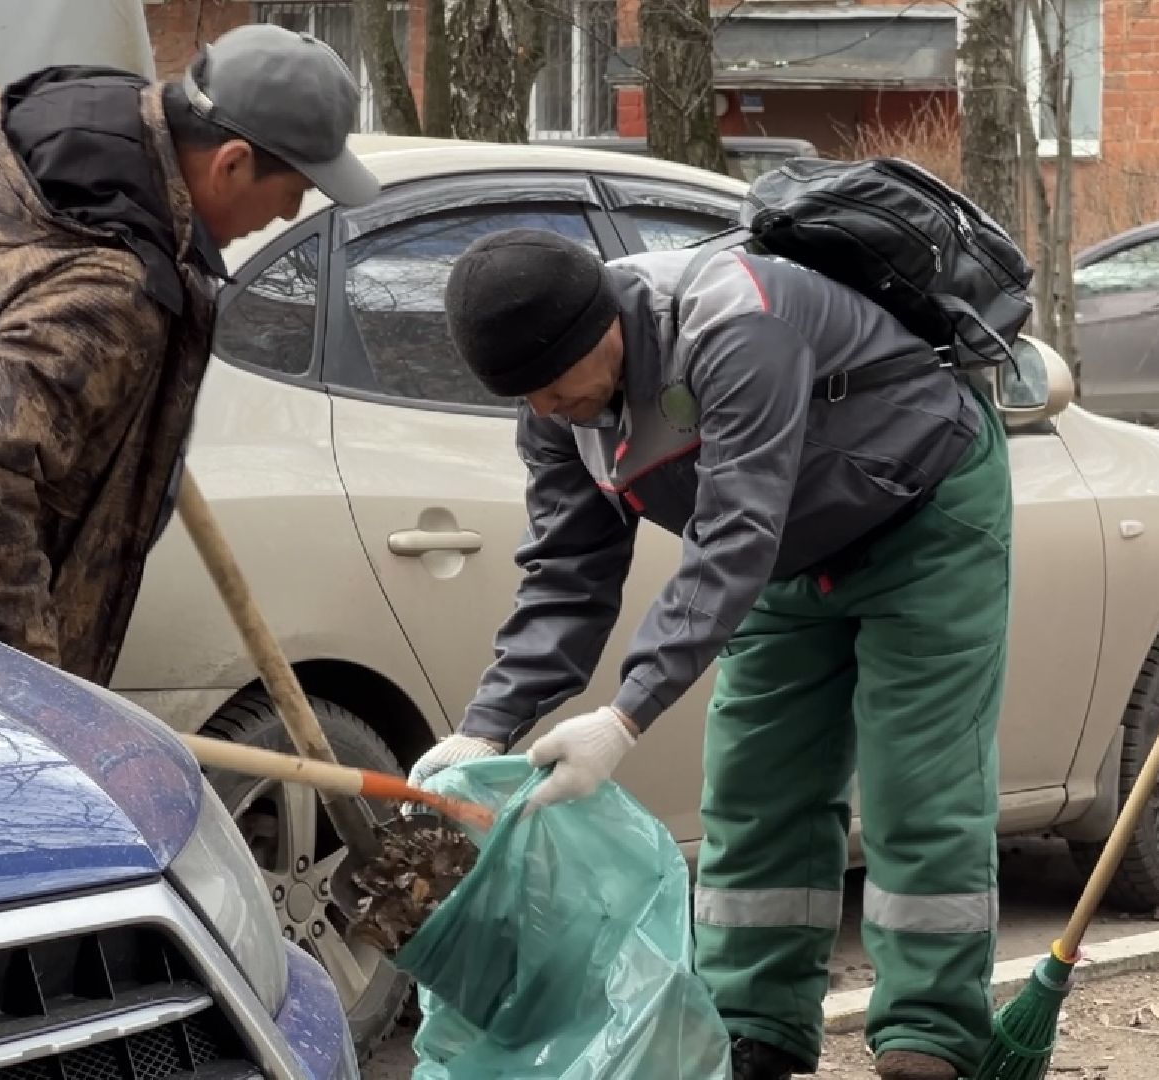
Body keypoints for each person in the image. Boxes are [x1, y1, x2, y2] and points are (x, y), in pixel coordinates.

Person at [406, 228, 1016, 1080]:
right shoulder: (556, 412)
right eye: (526, 399)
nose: (546, 410)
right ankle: (753, 1024)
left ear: (601, 330)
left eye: (551, 386)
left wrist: (624, 716)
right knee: (753, 786)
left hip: (923, 514)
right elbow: (567, 575)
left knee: (920, 779)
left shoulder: (732, 325)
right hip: (788, 555)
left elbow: (734, 532)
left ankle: (928, 1034)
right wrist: (484, 729)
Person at [0, 24, 380, 686]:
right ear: (232, 163)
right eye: (296, 189)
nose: (286, 213)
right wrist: (25, 679)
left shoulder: (51, 191)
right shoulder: (108, 288)